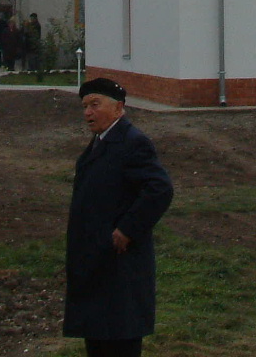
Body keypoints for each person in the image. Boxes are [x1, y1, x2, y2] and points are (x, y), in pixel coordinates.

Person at [63, 78, 173, 357]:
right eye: (85, 106)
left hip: (119, 266)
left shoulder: (132, 143)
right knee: (99, 339)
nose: (87, 112)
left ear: (118, 108)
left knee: (119, 340)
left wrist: (127, 229)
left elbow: (159, 189)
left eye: (95, 105)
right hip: (97, 264)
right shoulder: (99, 143)